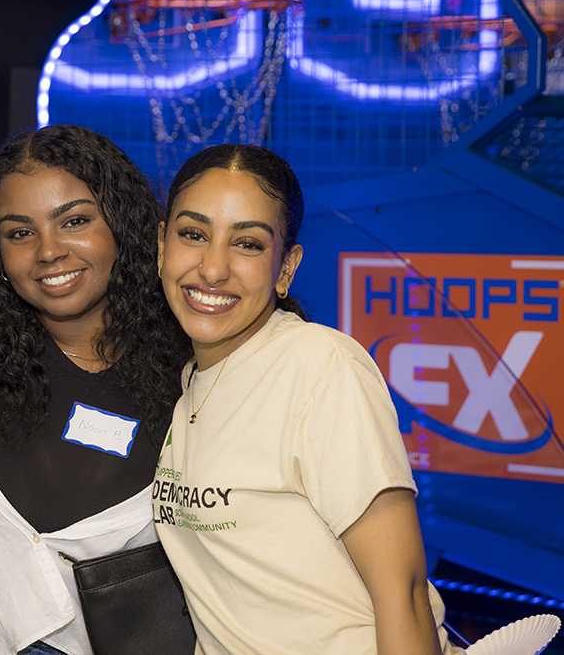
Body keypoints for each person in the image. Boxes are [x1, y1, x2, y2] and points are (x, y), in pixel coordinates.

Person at [154, 143, 464, 655]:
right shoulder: (191, 380)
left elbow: (403, 592)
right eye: (193, 234)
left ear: (285, 268)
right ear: (161, 247)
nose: (213, 268)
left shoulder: (320, 366)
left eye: (248, 244)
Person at [0, 124, 191, 655]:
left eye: (74, 222)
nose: (49, 251)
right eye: (19, 232)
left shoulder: (196, 372)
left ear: (123, 226)